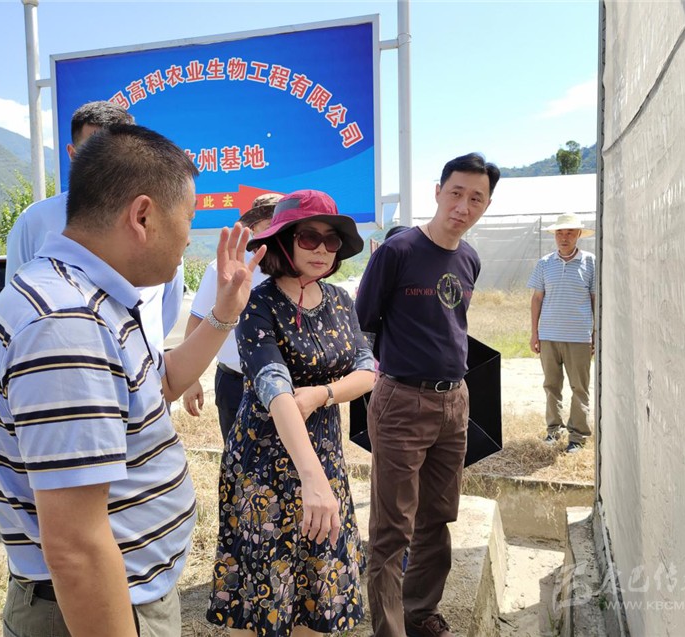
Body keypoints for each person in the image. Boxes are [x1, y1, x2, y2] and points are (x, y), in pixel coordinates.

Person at [0, 123, 265, 637]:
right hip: (103, 606)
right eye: (188, 217)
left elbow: (158, 387)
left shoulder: (91, 297)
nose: (189, 238)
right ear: (143, 215)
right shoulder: (66, 324)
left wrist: (223, 314)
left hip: (125, 593)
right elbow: (77, 546)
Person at [206, 190, 375, 637]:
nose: (321, 248)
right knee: (260, 589)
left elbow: (368, 371)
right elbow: (274, 387)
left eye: (331, 240)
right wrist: (311, 478)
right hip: (264, 468)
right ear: (284, 241)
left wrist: (321, 394)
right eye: (308, 237)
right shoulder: (257, 302)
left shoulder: (340, 300)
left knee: (318, 583)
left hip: (324, 458)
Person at [355, 153, 499, 637]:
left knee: (437, 516)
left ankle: (420, 613)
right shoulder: (397, 252)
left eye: (476, 198)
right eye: (456, 193)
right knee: (392, 526)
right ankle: (389, 630)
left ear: (485, 205)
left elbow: (453, 324)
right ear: (438, 192)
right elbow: (364, 321)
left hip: (454, 402)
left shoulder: (469, 258)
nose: (463, 206)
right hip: (402, 401)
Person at [5, 100, 185, 348]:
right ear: (72, 155)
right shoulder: (35, 221)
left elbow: (168, 305)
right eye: (93, 153)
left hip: (143, 365)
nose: (105, 165)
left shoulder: (158, 217)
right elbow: (18, 301)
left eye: (115, 153)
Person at [181, 193, 282, 439]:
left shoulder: (295, 268)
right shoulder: (225, 267)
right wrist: (190, 379)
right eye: (270, 224)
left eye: (283, 224)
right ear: (253, 227)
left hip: (286, 385)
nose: (276, 231)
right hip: (236, 383)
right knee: (237, 456)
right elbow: (197, 320)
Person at [527, 212, 596, 454]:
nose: (564, 237)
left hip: (578, 336)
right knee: (551, 385)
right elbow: (537, 299)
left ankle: (577, 436)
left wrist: (595, 334)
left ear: (578, 235)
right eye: (560, 233)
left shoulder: (591, 262)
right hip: (548, 335)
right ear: (555, 235)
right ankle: (553, 430)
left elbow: (595, 299)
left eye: (569, 233)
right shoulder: (545, 263)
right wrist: (534, 333)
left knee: (580, 388)